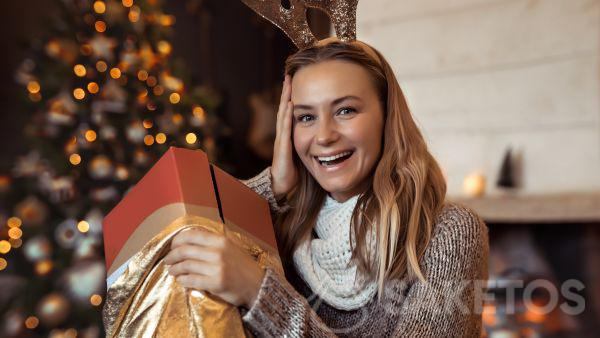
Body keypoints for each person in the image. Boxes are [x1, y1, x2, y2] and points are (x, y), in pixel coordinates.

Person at [163, 39, 489, 337]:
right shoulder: (285, 226)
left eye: (345, 110)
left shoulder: (448, 232)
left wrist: (259, 293)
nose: (324, 136)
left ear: (387, 116)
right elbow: (182, 235)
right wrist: (275, 182)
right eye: (306, 117)